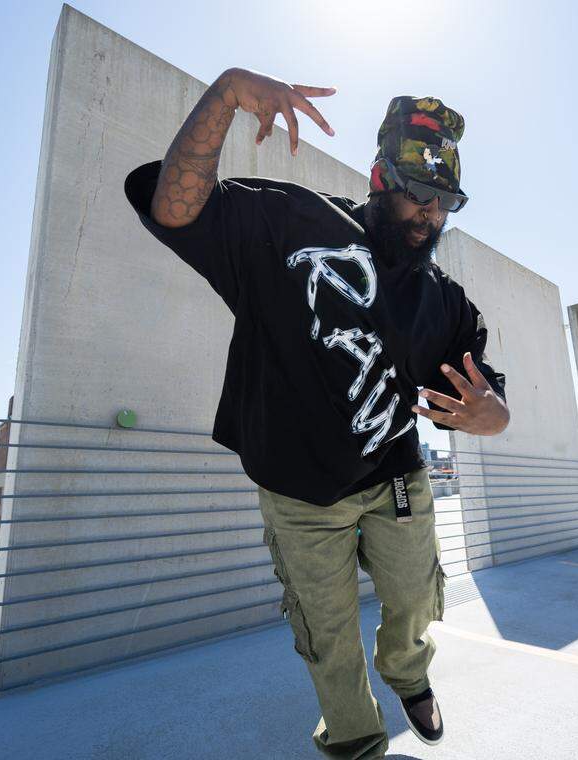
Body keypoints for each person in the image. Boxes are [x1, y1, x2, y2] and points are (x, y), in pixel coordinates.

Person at [124, 67, 510, 760]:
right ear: (379, 178)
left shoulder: (442, 300)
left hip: (396, 479)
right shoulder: (289, 222)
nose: (428, 214)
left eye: (445, 201)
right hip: (298, 490)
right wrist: (228, 94)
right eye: (417, 194)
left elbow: (487, 396)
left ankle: (407, 673)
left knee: (417, 601)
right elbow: (175, 209)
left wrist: (490, 418)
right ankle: (357, 739)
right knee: (326, 633)